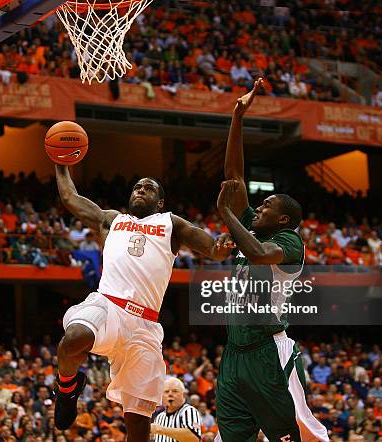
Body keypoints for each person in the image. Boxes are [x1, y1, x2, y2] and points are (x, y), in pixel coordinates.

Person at [52, 162, 230, 441]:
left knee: (137, 423)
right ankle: (66, 389)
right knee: (73, 337)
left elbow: (213, 250)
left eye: (148, 188)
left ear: (159, 202)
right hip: (108, 305)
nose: (140, 190)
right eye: (137, 187)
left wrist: (223, 244)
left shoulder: (171, 223)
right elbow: (70, 199)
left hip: (144, 325)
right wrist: (60, 164)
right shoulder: (112, 220)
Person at [214, 79, 329, 442]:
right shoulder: (253, 228)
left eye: (265, 206)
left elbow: (260, 255)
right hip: (234, 351)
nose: (257, 207)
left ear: (282, 218)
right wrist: (237, 117)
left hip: (269, 350)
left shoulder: (288, 241)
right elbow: (234, 178)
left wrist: (227, 216)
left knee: (297, 434)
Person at [151, 377, 202, 442]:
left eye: (175, 391)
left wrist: (161, 430)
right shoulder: (159, 417)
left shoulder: (189, 411)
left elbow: (194, 438)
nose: (170, 394)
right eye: (166, 392)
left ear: (183, 395)